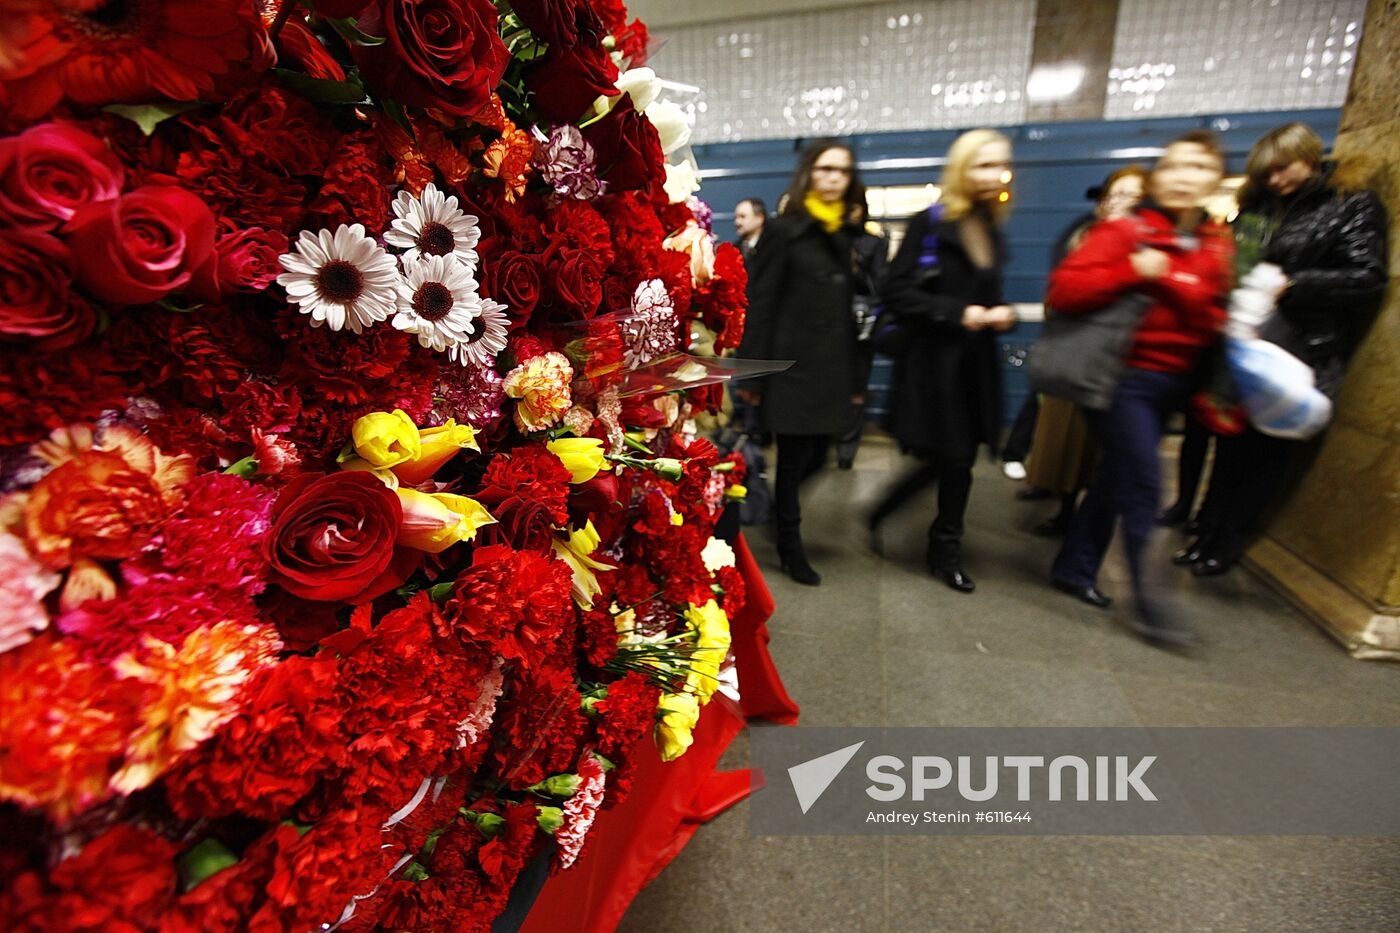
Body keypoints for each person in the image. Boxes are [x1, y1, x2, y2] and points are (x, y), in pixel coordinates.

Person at [1047, 130, 1234, 645]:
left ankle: (1074, 567)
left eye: (1197, 167)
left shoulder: (1216, 242)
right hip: (1123, 377)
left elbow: (1210, 311)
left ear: (1214, 180)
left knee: (1116, 479)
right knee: (1145, 486)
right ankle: (1151, 605)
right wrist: (1133, 269)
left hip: (1177, 380)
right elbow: (1064, 288)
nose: (1182, 177)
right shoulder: (1130, 233)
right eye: (1172, 166)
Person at [1177, 123, 1388, 575]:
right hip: (1245, 343)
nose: (1276, 180)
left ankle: (1226, 541)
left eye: (1283, 169)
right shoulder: (1258, 208)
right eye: (1267, 173)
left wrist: (1293, 285)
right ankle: (1206, 531)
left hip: (1298, 351)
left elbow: (1367, 274)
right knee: (1230, 445)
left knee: (1264, 453)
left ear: (1309, 158)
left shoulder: (1348, 205)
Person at [866, 128, 1016, 593]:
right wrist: (959, 312)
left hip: (975, 367)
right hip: (937, 366)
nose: (995, 174)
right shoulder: (930, 222)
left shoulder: (989, 225)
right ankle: (942, 549)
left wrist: (1001, 315)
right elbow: (896, 289)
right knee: (953, 458)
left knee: (957, 458)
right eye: (983, 164)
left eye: (1001, 164)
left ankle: (896, 516)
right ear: (962, 168)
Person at [734, 140, 868, 585]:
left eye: (843, 171)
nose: (834, 178)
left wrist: (855, 376)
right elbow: (763, 301)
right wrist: (754, 372)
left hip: (830, 367)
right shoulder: (785, 231)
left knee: (823, 454)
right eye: (826, 168)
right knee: (792, 460)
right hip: (793, 367)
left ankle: (779, 516)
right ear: (809, 173)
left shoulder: (843, 233)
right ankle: (790, 546)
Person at [1025, 165, 1148, 536]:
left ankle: (1075, 516)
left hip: (1112, 361)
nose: (1117, 202)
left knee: (1092, 451)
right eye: (1114, 194)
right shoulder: (1085, 235)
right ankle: (1057, 498)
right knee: (1063, 435)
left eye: (1129, 195)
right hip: (1073, 351)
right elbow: (1063, 290)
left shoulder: (1147, 243)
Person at [733, 197, 767, 265]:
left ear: (759, 218)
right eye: (736, 217)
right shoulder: (734, 251)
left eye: (743, 217)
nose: (737, 222)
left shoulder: (773, 249)